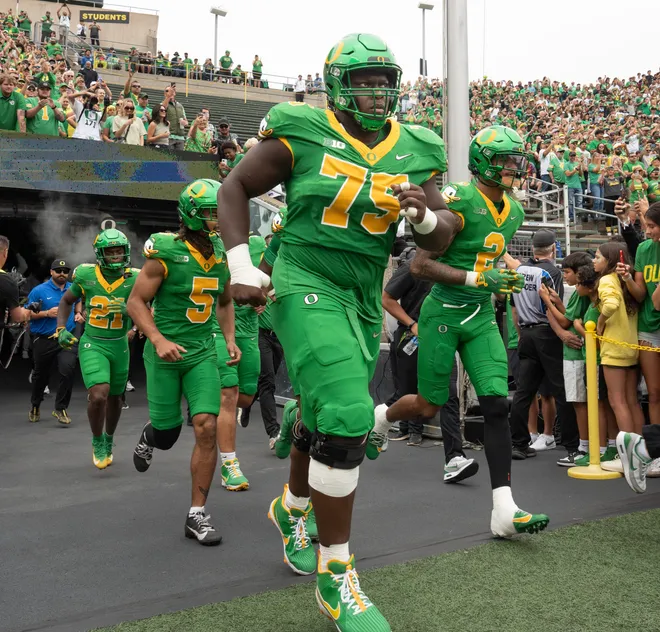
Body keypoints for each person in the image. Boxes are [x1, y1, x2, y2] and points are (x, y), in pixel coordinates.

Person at [217, 33, 450, 632]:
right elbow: (235, 186)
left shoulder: (416, 145)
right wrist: (242, 264)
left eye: (384, 80)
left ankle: (292, 506)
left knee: (323, 413)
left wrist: (422, 214)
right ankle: (337, 572)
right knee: (349, 411)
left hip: (363, 291)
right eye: (365, 80)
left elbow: (441, 231)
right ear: (338, 82)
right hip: (303, 275)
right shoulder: (300, 127)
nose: (377, 91)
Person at [371, 125, 549, 541]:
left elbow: (491, 249)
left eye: (514, 159)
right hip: (443, 315)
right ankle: (382, 416)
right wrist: (476, 280)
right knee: (430, 405)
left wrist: (513, 274)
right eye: (505, 160)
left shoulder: (516, 211)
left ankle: (504, 509)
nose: (513, 167)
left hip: (480, 318)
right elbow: (418, 267)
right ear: (484, 162)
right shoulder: (459, 199)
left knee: (496, 406)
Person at [127, 179, 237, 546]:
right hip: (165, 354)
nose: (216, 219)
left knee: (206, 425)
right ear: (191, 215)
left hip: (202, 351)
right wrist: (157, 339)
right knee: (168, 434)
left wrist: (230, 339)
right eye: (209, 213)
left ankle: (197, 514)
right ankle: (150, 435)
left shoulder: (220, 251)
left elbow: (223, 300)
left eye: (216, 212)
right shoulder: (165, 252)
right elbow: (135, 302)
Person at [54, 230, 139, 469]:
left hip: (120, 342)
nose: (115, 256)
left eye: (119, 251)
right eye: (110, 252)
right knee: (99, 393)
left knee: (116, 397)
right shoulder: (86, 274)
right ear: (100, 254)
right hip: (94, 341)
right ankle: (97, 439)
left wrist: (136, 316)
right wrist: (61, 328)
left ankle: (109, 438)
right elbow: (66, 300)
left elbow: (153, 301)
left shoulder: (135, 278)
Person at [508, 230, 579, 460]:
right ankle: (572, 446)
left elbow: (515, 311)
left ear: (532, 248)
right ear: (553, 248)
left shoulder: (519, 271)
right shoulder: (551, 272)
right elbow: (552, 307)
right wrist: (561, 333)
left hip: (526, 333)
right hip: (546, 332)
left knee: (524, 391)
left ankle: (519, 443)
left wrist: (520, 335)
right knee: (561, 389)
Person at [213, 233, 266, 491]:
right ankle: (229, 464)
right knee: (229, 395)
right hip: (220, 330)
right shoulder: (216, 246)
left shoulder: (258, 246)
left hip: (250, 332)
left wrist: (265, 299)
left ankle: (205, 405)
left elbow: (268, 282)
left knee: (245, 397)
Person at [618, 201, 660, 476]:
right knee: (655, 393)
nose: (647, 232)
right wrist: (627, 280)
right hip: (648, 328)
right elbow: (643, 295)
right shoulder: (644, 249)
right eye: (646, 226)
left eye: (652, 227)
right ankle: (656, 453)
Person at [27, 260, 82, 425]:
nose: (62, 274)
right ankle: (35, 404)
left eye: (65, 271)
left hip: (66, 337)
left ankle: (60, 408)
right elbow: (27, 313)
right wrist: (46, 313)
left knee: (68, 370)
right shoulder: (39, 290)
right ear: (51, 272)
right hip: (44, 339)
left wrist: (78, 313)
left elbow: (78, 298)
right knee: (40, 375)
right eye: (58, 270)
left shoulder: (73, 287)